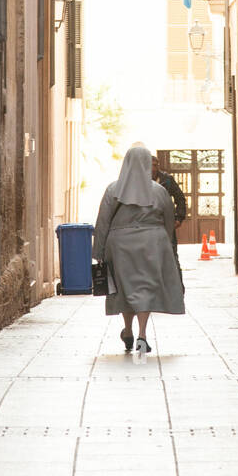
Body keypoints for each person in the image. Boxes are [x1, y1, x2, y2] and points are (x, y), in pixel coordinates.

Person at [93, 144, 185, 360]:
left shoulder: (112, 190)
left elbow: (103, 222)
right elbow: (169, 220)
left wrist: (98, 251)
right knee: (146, 286)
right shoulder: (159, 190)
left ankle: (128, 330)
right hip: (152, 243)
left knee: (126, 287)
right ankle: (142, 334)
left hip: (120, 245)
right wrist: (167, 243)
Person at [151, 153, 187, 289]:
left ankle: (178, 289)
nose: (154, 168)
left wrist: (179, 218)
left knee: (172, 256)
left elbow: (180, 199)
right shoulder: (139, 180)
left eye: (156, 165)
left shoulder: (167, 180)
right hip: (148, 225)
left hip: (166, 225)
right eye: (151, 165)